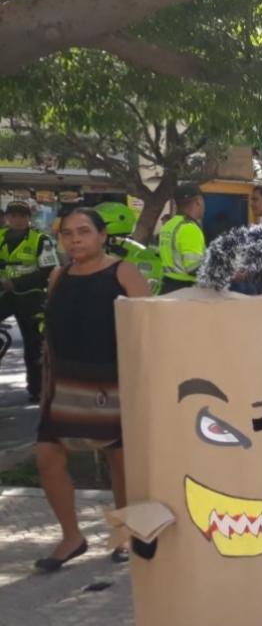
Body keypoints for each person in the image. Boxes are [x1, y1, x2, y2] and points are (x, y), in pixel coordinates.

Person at [34, 208, 151, 571]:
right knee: (47, 457)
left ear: (102, 235)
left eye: (83, 231)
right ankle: (72, 537)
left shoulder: (123, 273)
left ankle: (127, 533)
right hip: (64, 383)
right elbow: (51, 334)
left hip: (113, 382)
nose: (75, 240)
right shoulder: (59, 275)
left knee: (119, 461)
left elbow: (148, 330)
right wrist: (45, 382)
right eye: (67, 233)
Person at [0, 201, 58, 401]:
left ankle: (37, 389)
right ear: (7, 217)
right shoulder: (0, 237)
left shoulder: (41, 240)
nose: (17, 219)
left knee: (34, 346)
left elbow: (48, 270)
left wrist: (15, 282)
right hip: (5, 296)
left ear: (29, 218)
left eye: (22, 216)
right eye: (13, 215)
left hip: (31, 297)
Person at [157, 183, 207, 294]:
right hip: (186, 291)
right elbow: (194, 268)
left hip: (167, 287)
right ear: (198, 201)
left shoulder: (168, 225)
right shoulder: (190, 228)